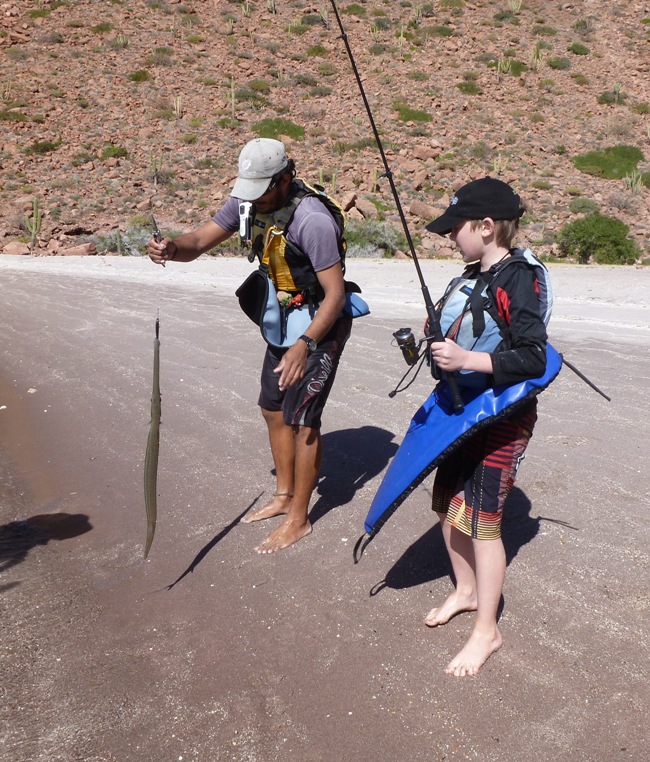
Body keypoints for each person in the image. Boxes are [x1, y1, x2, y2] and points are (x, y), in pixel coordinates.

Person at [147, 138, 352, 554]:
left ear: (285, 178)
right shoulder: (246, 202)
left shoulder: (311, 220)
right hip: (282, 318)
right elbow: (200, 240)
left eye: (262, 189)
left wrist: (306, 345)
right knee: (272, 408)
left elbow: (336, 295)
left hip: (320, 323)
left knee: (304, 419)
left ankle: (299, 518)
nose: (253, 198)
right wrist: (171, 247)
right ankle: (282, 496)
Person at [423, 177, 548, 676]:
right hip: (461, 411)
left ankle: (487, 631)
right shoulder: (474, 274)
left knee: (482, 521)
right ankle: (467, 591)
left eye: (457, 228)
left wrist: (466, 358)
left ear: (487, 227)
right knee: (445, 502)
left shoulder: (519, 278)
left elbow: (533, 356)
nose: (452, 236)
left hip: (502, 418)